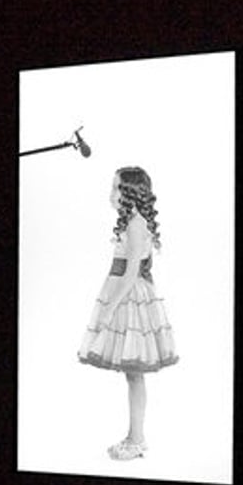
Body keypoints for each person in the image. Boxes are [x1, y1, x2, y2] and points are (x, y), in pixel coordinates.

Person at [77, 166, 178, 462]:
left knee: (135, 373)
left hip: (130, 298)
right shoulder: (131, 222)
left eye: (116, 187)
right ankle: (135, 436)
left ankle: (137, 439)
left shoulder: (136, 224)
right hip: (124, 293)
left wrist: (109, 309)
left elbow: (132, 272)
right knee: (132, 375)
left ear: (130, 192)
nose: (111, 193)